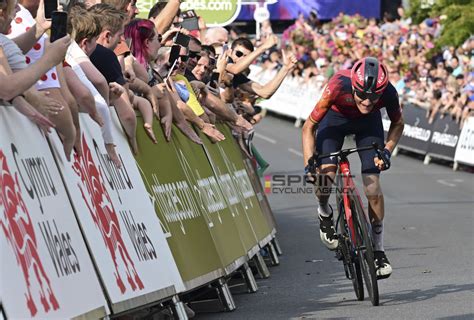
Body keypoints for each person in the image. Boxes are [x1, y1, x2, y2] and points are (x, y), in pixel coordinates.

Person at [301, 57, 405, 279]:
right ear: (354, 87)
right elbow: (309, 127)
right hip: (334, 121)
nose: (368, 102)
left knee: (373, 187)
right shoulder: (337, 85)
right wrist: (309, 163)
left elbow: (398, 123)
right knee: (326, 175)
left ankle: (378, 250)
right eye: (362, 95)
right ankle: (324, 211)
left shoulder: (388, 92)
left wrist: (387, 150)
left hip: (368, 126)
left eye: (374, 97)